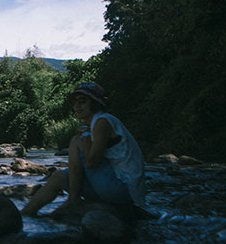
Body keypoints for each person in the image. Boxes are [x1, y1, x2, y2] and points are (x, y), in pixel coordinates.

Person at [21, 82, 145, 216]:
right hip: (118, 189)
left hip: (123, 190)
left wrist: (85, 137)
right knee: (59, 177)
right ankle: (24, 215)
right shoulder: (97, 123)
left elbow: (92, 162)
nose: (76, 106)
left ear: (95, 103)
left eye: (82, 102)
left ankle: (73, 200)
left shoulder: (102, 122)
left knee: (75, 141)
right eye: (74, 103)